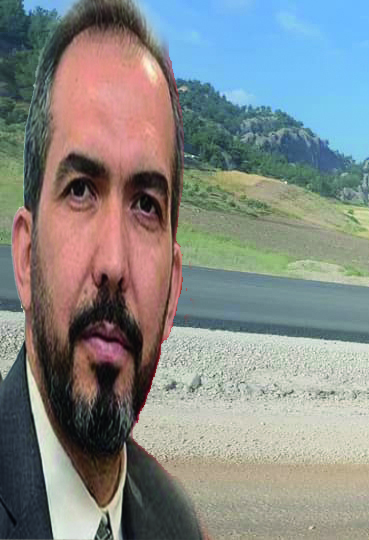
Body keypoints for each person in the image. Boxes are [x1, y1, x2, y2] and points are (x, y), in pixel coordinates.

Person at [0, 0, 202, 537]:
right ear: (24, 257)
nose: (113, 262)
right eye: (81, 190)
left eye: (145, 205)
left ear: (173, 292)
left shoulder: (177, 524)